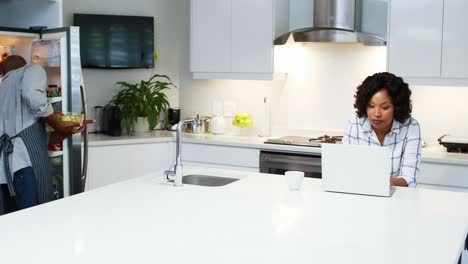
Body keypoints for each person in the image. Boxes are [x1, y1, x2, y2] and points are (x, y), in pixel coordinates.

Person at [0, 55, 93, 215]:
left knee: (13, 226)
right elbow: (33, 96)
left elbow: (32, 137)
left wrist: (67, 131)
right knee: (36, 220)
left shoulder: (4, 88)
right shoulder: (31, 69)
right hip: (25, 168)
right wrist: (60, 124)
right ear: (23, 65)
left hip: (5, 174)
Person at [343, 72, 422, 187]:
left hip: (398, 197)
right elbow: (347, 170)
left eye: (385, 107)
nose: (377, 113)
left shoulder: (411, 127)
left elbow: (409, 178)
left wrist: (389, 182)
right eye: (371, 106)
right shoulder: (354, 124)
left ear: (397, 107)